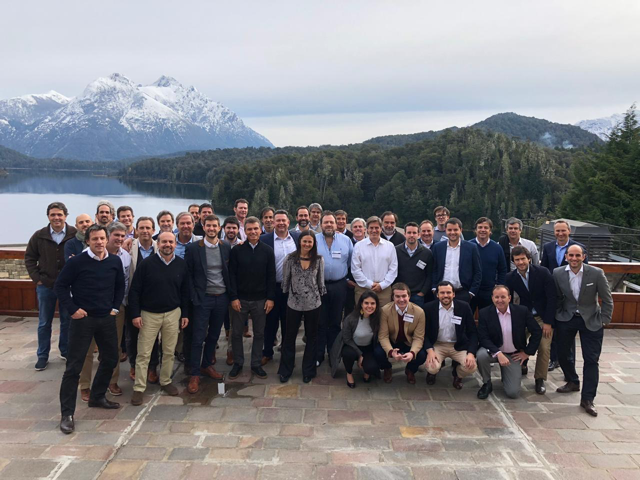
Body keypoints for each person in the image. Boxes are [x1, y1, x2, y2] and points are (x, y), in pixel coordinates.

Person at [54, 224, 125, 434]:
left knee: (111, 358)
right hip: (83, 320)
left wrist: (114, 307)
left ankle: (97, 396)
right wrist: (72, 309)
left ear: (107, 239)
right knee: (73, 367)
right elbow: (60, 286)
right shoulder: (76, 262)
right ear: (87, 241)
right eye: (95, 239)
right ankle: (67, 414)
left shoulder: (114, 261)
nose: (99, 242)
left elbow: (120, 285)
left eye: (102, 238)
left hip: (106, 318)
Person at [128, 232, 190, 406]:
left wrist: (185, 314)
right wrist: (135, 314)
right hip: (149, 314)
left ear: (175, 244)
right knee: (144, 353)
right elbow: (135, 291)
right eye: (164, 242)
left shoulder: (181, 264)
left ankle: (166, 381)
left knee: (169, 351)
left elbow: (185, 291)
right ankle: (139, 388)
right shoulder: (146, 264)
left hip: (172, 313)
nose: (167, 245)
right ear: (158, 243)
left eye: (171, 242)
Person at [553, 244, 613, 417]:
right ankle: (572, 380)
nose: (574, 258)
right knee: (562, 354)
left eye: (577, 255)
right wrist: (557, 315)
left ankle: (587, 399)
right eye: (571, 255)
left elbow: (607, 299)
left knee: (591, 360)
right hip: (567, 318)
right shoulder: (557, 273)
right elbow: (556, 297)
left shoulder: (596, 273)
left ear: (584, 257)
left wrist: (604, 320)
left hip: (591, 320)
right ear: (566, 257)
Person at [78, 222, 131, 401]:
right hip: (89, 310)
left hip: (114, 309)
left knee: (113, 347)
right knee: (87, 348)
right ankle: (85, 385)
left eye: (122, 236)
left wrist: (117, 306)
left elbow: (122, 284)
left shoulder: (125, 256)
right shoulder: (85, 256)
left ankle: (111, 381)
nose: (119, 239)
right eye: (116, 235)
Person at [25, 201, 77, 371]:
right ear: (48, 216)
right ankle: (42, 356)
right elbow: (30, 258)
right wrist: (37, 278)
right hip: (46, 286)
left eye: (59, 214)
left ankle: (66, 351)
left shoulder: (74, 234)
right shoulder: (39, 235)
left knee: (67, 321)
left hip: (68, 287)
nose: (56, 218)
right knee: (44, 322)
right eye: (53, 215)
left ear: (65, 216)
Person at [185, 215, 230, 394]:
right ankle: (194, 373)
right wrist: (194, 297)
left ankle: (206, 365)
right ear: (203, 227)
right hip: (203, 298)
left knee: (214, 335)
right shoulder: (193, 248)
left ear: (219, 228)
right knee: (198, 337)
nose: (211, 229)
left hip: (221, 297)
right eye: (208, 225)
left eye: (214, 226)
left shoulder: (225, 247)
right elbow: (188, 275)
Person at [228, 217, 276, 380]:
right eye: (249, 229)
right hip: (240, 299)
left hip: (261, 299)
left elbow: (271, 276)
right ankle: (238, 363)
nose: (253, 232)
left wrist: (270, 298)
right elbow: (231, 275)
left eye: (255, 229)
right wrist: (233, 297)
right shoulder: (237, 250)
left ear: (260, 230)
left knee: (259, 333)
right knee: (236, 333)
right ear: (245, 231)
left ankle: (256, 363)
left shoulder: (268, 251)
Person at [506, 246, 557, 394]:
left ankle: (540, 379)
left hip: (542, 317)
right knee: (516, 340)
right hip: (523, 316)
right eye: (517, 260)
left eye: (523, 259)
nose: (520, 262)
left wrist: (548, 322)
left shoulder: (543, 272)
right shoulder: (510, 277)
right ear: (513, 261)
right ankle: (522, 364)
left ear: (529, 259)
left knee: (544, 347)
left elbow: (552, 298)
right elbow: (509, 300)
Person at [476, 285, 542, 399]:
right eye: (496, 297)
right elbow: (483, 337)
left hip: (513, 354)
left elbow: (536, 331)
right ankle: (487, 383)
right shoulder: (484, 313)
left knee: (513, 393)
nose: (500, 300)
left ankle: (507, 375)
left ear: (509, 298)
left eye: (503, 297)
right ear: (492, 298)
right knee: (481, 355)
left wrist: (527, 352)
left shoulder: (522, 311)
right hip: (494, 352)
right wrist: (498, 353)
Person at [278, 230, 326, 383]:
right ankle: (285, 370)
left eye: (310, 242)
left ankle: (308, 371)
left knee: (312, 337)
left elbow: (320, 282)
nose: (307, 244)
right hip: (294, 303)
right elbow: (286, 280)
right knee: (289, 336)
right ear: (299, 242)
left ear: (314, 243)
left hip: (313, 303)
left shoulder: (318, 259)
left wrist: (319, 296)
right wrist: (287, 295)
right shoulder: (290, 259)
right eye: (304, 241)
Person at [541, 220, 586, 371]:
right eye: (557, 231)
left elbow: (585, 271)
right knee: (553, 328)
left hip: (570, 297)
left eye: (563, 230)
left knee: (569, 331)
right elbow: (544, 270)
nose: (560, 233)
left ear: (569, 231)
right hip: (553, 295)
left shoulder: (578, 248)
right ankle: (554, 359)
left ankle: (569, 362)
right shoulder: (548, 247)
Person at [260, 210, 300, 365]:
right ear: (273, 222)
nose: (281, 223)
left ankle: (286, 351)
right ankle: (267, 352)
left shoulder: (297, 238)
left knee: (289, 323)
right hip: (273, 288)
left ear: (289, 222)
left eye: (284, 220)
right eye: (278, 220)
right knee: (270, 322)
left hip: (292, 289)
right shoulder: (265, 239)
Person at [423, 281, 478, 389]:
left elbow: (472, 332)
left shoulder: (464, 307)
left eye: (448, 292)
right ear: (437, 295)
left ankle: (457, 374)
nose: (445, 295)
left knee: (471, 366)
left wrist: (471, 353)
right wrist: (430, 350)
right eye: (442, 293)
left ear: (453, 294)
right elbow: (423, 333)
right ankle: (432, 373)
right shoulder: (428, 308)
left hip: (458, 345)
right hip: (438, 344)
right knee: (432, 367)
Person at [316, 211, 353, 365]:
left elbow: (350, 262)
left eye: (332, 222)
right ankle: (318, 354)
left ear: (336, 224)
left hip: (339, 285)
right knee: (320, 321)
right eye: (326, 222)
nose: (329, 225)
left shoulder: (346, 241)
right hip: (319, 285)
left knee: (336, 321)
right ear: (321, 224)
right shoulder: (314, 240)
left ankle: (333, 353)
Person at [126, 217, 160, 383]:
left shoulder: (160, 247)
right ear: (136, 230)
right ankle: (134, 365)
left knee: (152, 336)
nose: (145, 231)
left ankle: (152, 367)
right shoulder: (128, 247)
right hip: (133, 298)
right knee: (132, 335)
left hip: (153, 299)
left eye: (148, 228)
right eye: (142, 228)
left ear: (153, 230)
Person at [374, 283, 426, 384]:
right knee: (378, 352)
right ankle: (387, 368)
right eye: (397, 296)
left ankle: (410, 369)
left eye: (404, 296)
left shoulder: (419, 312)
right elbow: (383, 336)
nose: (401, 299)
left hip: (408, 342)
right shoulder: (385, 311)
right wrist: (390, 352)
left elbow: (418, 338)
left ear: (409, 296)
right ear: (393, 297)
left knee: (421, 355)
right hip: (392, 341)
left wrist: (412, 353)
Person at [330, 290, 381, 387]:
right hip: (352, 346)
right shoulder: (351, 318)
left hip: (368, 347)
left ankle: (366, 370)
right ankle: (349, 373)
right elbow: (346, 339)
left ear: (376, 305)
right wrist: (360, 354)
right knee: (348, 354)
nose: (369, 306)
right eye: (366, 303)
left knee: (371, 367)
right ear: (361, 304)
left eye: (372, 303)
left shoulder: (378, 318)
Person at [431, 218, 482, 304]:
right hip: (442, 292)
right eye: (449, 230)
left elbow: (477, 271)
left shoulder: (471, 247)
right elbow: (434, 269)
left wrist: (471, 292)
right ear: (445, 230)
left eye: (455, 230)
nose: (452, 232)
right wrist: (434, 288)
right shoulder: (438, 247)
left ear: (461, 230)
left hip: (463, 292)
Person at [351, 216, 398, 306]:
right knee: (362, 314)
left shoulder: (390, 246)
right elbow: (355, 269)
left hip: (384, 290)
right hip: (363, 288)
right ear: (367, 230)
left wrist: (382, 285)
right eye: (371, 228)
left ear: (381, 229)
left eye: (376, 228)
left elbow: (393, 269)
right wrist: (370, 284)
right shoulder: (358, 246)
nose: (374, 230)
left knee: (383, 314)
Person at [470, 217, 507, 312]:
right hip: (471, 290)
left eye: (486, 228)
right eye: (480, 227)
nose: (483, 230)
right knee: (467, 318)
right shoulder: (468, 246)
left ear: (490, 231)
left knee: (488, 318)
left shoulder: (497, 248)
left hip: (489, 291)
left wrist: (499, 287)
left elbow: (502, 270)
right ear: (475, 230)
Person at [395, 222, 433, 308]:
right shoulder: (396, 251)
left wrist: (422, 292)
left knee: (417, 316)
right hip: (400, 294)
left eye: (414, 233)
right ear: (404, 234)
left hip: (417, 296)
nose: (411, 235)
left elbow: (429, 275)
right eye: (409, 232)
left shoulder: (427, 253)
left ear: (419, 235)